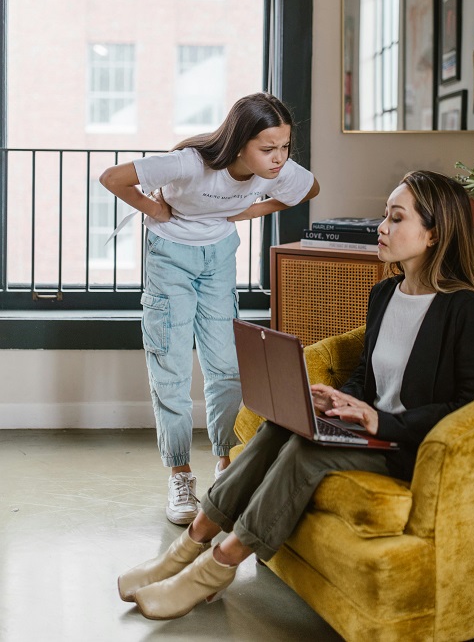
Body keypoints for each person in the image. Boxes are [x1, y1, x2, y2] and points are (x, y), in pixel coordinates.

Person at [117, 169, 474, 620]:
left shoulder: (464, 308)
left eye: (397, 219)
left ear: (434, 234)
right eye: (385, 216)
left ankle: (214, 571)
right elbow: (366, 376)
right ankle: (189, 546)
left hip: (407, 445)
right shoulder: (384, 294)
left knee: (306, 452)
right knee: (284, 424)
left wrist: (381, 422)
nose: (382, 227)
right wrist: (339, 401)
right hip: (368, 430)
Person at [101, 92, 319, 525]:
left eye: (285, 147)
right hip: (169, 257)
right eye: (268, 149)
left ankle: (226, 464)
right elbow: (112, 177)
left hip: (219, 256)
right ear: (240, 145)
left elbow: (308, 189)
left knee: (226, 366)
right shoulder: (188, 164)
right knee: (172, 366)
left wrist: (246, 211)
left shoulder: (277, 168)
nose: (279, 159)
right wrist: (153, 209)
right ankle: (180, 474)